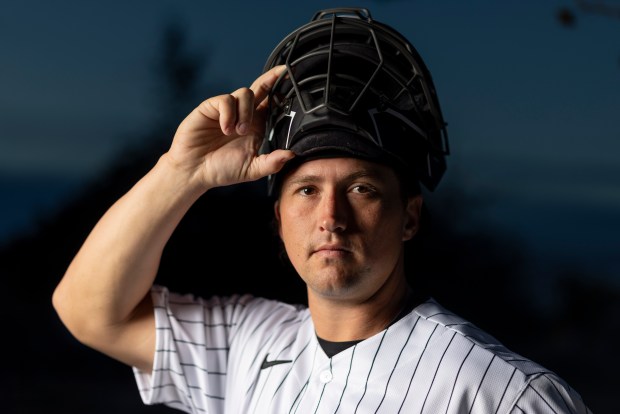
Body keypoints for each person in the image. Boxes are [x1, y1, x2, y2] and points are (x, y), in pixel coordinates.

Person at [52, 8, 592, 414]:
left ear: (409, 217)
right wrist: (179, 173)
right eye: (306, 190)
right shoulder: (249, 341)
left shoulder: (502, 392)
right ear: (278, 219)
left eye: (361, 189)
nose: (330, 216)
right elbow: (89, 311)